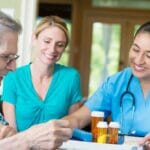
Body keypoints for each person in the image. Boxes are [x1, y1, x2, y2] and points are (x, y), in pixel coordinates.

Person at [64, 21, 150, 138]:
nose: (139, 60)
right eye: (135, 50)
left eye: (149, 55)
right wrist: (53, 127)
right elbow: (78, 119)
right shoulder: (116, 83)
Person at [0, 11, 72, 149]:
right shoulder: (16, 80)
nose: (14, 68)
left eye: (13, 58)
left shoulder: (70, 77)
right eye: (6, 57)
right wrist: (27, 139)